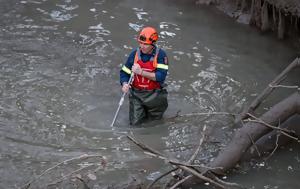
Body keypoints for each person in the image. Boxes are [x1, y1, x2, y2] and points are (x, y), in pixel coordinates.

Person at [120, 26, 169, 125]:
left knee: (155, 122)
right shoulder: (134, 55)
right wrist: (125, 83)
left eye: (145, 44)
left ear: (152, 44)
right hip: (136, 94)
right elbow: (124, 72)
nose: (142, 46)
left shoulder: (161, 55)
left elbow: (160, 76)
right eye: (140, 43)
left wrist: (141, 72)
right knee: (135, 123)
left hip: (155, 95)